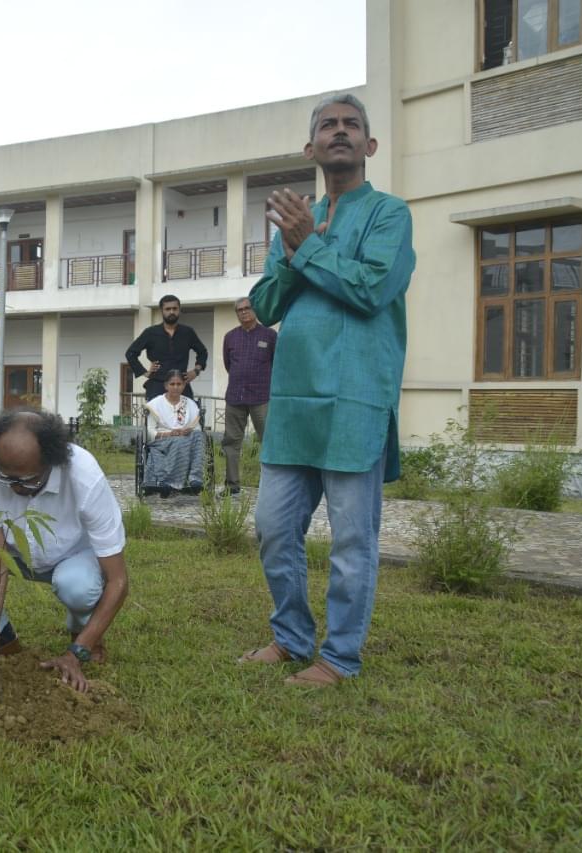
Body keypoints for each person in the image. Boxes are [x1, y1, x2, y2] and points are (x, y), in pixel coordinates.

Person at [238, 93, 415, 688]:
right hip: (294, 402)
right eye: (328, 125)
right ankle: (290, 638)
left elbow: (371, 290)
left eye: (351, 124)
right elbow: (265, 304)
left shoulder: (390, 214)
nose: (340, 131)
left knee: (351, 540)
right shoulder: (295, 220)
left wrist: (306, 246)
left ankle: (339, 657)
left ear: (370, 145)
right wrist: (292, 250)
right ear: (310, 147)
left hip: (356, 399)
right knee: (273, 527)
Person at [0, 408, 129, 693]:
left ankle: (83, 634)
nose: (15, 488)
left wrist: (76, 654)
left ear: (51, 462)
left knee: (77, 587)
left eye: (27, 480)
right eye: (6, 478)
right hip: (16, 552)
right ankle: (3, 639)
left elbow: (118, 581)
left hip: (74, 557)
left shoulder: (84, 475)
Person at [221, 297, 276, 495]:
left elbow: (277, 364)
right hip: (235, 396)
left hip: (262, 397)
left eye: (247, 308)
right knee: (231, 442)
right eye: (240, 310)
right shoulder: (230, 337)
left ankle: (270, 486)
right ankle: (232, 485)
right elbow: (228, 365)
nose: (244, 312)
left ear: (255, 310)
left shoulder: (270, 335)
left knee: (268, 441)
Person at [125, 295, 208, 401]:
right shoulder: (150, 333)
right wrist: (145, 372)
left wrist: (196, 371)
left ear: (179, 310)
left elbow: (202, 352)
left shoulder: (187, 332)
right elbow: (130, 353)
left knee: (186, 412)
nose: (171, 312)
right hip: (157, 386)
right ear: (162, 311)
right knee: (156, 412)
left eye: (174, 308)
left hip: (181, 386)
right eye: (168, 309)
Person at [141, 370, 208, 498]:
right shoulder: (155, 404)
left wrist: (188, 430)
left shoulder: (190, 404)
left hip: (186, 437)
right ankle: (171, 482)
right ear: (166, 386)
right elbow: (149, 431)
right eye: (172, 384)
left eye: (179, 384)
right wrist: (169, 434)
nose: (176, 387)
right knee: (180, 441)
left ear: (184, 385)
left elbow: (197, 428)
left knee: (199, 436)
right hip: (161, 439)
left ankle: (195, 478)